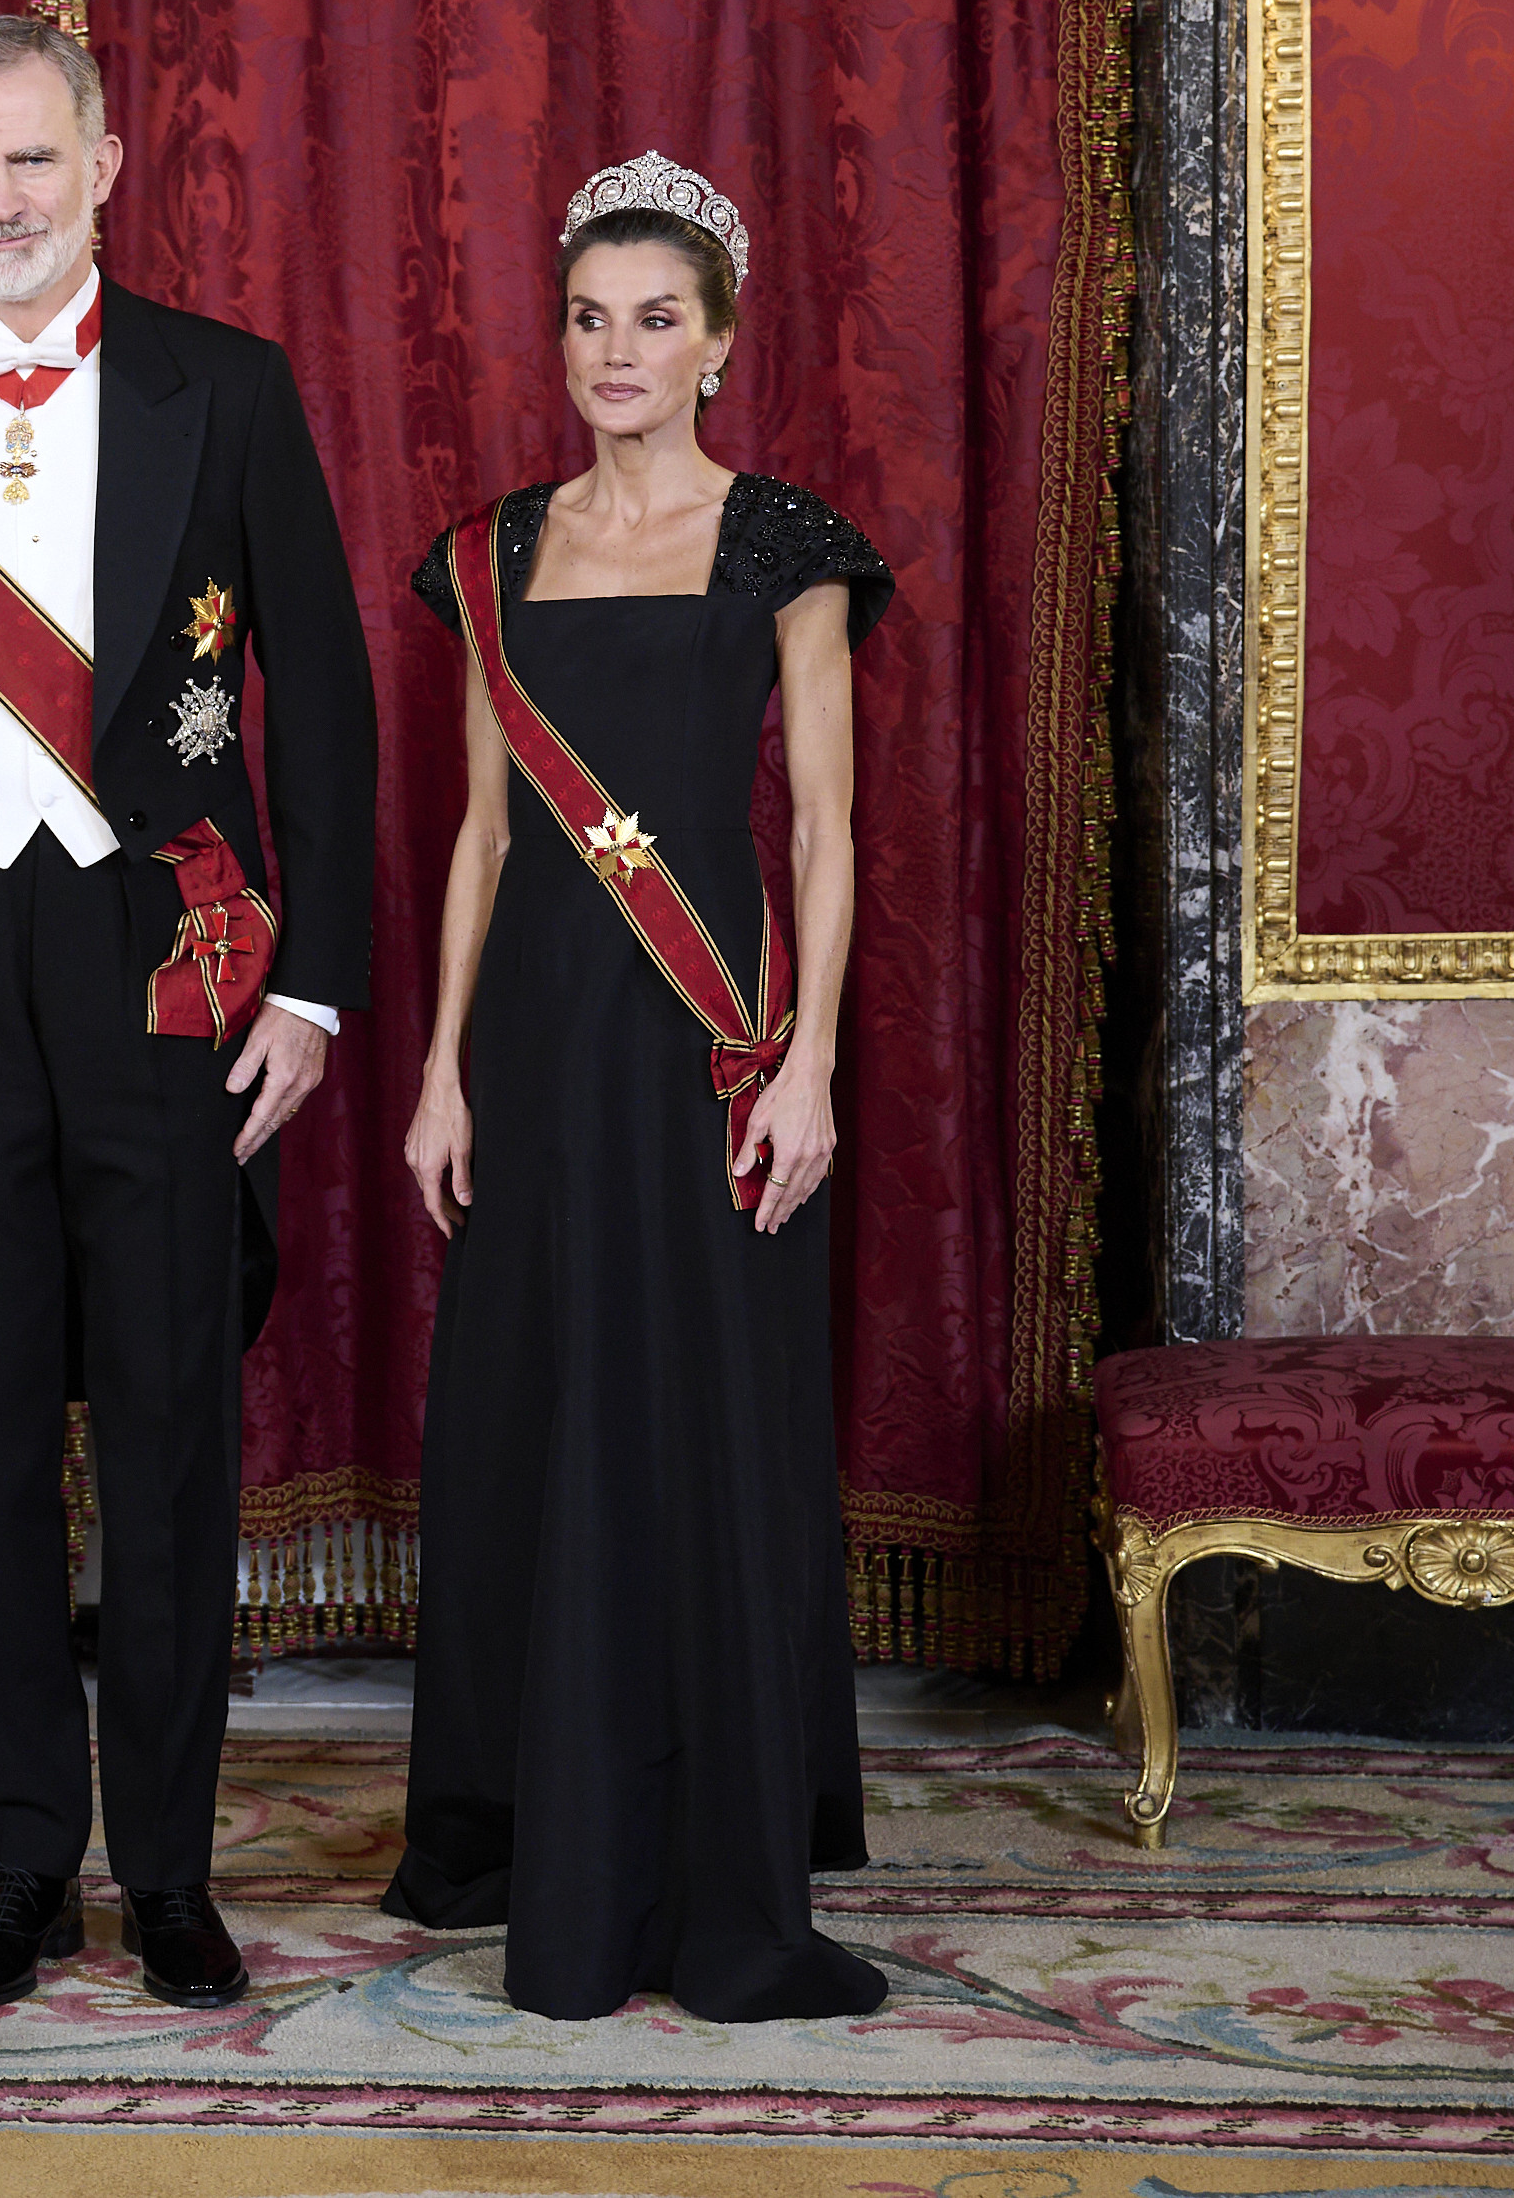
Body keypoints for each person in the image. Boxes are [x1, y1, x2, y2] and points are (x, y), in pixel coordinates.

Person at [0, 15, 377, 2011]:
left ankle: (171, 1864)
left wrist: (310, 983)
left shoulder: (228, 387)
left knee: (172, 1421)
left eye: (33, 158)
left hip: (165, 955)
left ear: (106, 164)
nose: (0, 198)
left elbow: (326, 700)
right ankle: (18, 1858)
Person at [387, 153, 895, 2021]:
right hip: (536, 1046)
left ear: (719, 343)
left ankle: (709, 1837)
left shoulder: (784, 547)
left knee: (698, 1421)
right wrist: (441, 1069)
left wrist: (809, 1059)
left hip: (707, 1043)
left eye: (655, 319)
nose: (618, 350)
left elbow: (826, 828)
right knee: (541, 1408)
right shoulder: (494, 553)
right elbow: (481, 834)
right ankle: (532, 1819)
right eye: (591, 318)